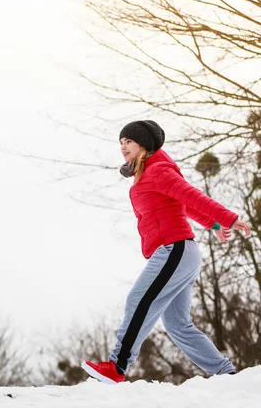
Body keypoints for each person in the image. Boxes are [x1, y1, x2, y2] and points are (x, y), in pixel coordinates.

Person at [81, 120, 251, 384]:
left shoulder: (158, 170)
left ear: (144, 145)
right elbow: (183, 205)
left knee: (138, 300)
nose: (123, 147)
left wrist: (227, 218)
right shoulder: (146, 174)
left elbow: (191, 196)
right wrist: (214, 224)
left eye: (129, 141)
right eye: (121, 142)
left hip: (174, 250)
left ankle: (117, 366)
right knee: (178, 325)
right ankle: (228, 374)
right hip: (181, 254)